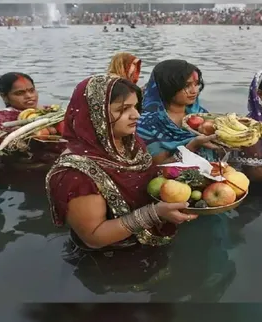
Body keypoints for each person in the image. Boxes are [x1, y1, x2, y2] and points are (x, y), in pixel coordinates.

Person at [46, 74, 196, 250]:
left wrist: (192, 147)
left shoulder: (129, 142)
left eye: (135, 107)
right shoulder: (75, 174)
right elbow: (94, 237)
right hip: (111, 260)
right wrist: (154, 213)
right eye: (123, 109)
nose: (136, 115)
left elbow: (151, 177)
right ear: (95, 114)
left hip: (148, 243)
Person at [137, 59, 218, 165]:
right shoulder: (147, 123)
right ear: (167, 87)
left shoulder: (201, 114)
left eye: (196, 84)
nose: (194, 91)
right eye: (186, 86)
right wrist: (192, 146)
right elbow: (159, 167)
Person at [0, 72, 65, 170]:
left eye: (32, 90)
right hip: (23, 174)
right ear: (4, 96)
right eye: (19, 93)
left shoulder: (50, 112)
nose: (29, 96)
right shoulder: (1, 120)